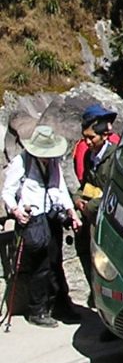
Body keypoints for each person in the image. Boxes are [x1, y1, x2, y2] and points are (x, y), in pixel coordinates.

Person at [2, 125, 82, 327]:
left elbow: (60, 189)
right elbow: (7, 193)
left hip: (52, 216)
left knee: (56, 263)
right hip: (33, 220)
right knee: (40, 266)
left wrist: (71, 212)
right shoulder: (21, 162)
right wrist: (16, 211)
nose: (47, 158)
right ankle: (37, 310)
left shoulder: (53, 163)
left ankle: (60, 305)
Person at [72, 104, 119, 306]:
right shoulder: (88, 156)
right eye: (85, 137)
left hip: (107, 220)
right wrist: (77, 198)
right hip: (91, 217)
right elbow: (85, 185)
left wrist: (89, 207)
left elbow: (114, 191)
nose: (87, 142)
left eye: (92, 137)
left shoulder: (115, 157)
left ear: (104, 136)